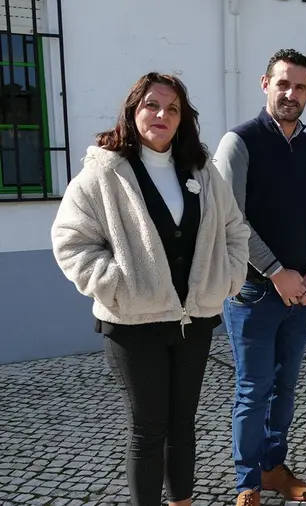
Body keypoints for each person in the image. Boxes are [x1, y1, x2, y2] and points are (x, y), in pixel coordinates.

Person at [50, 72, 250, 506]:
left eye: (172, 108)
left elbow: (235, 230)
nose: (162, 114)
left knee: (183, 425)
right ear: (133, 111)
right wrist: (115, 285)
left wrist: (228, 278)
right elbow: (71, 241)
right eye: (152, 105)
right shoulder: (104, 172)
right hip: (134, 324)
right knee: (147, 428)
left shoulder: (203, 170)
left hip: (193, 320)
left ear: (183, 119)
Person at [213, 49, 306, 506]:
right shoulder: (239, 142)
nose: (291, 93)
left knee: (286, 387)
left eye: (300, 87)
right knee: (252, 389)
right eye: (283, 83)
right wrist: (277, 271)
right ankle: (247, 482)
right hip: (253, 292)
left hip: (301, 293)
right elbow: (231, 219)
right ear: (265, 84)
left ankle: (273, 468)